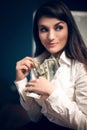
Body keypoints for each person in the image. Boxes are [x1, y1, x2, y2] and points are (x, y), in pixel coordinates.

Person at [14, 0, 87, 130]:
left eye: (58, 27)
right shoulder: (37, 64)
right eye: (44, 29)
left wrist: (51, 92)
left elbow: (85, 124)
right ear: (38, 33)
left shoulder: (82, 67)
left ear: (69, 29)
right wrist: (21, 81)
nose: (51, 37)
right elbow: (35, 116)